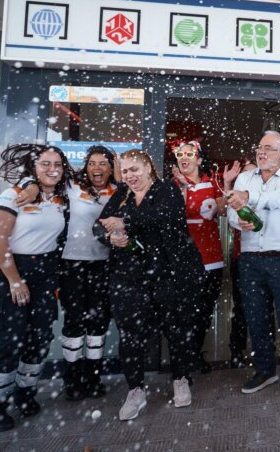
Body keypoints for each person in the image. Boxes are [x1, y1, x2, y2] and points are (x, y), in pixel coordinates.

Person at [94, 149, 204, 421]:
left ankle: (180, 379)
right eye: (125, 170)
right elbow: (100, 226)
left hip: (169, 272)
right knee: (130, 334)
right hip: (129, 277)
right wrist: (111, 239)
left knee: (176, 327)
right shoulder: (122, 195)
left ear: (149, 169)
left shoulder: (166, 188)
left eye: (135, 169)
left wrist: (126, 222)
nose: (130, 175)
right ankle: (135, 390)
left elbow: (165, 216)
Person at [0, 144, 71, 431]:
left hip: (44, 274)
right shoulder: (14, 194)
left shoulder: (60, 198)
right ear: (33, 166)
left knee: (38, 340)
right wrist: (14, 280)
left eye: (57, 164)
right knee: (7, 342)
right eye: (45, 163)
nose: (52, 168)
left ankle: (25, 394)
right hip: (10, 273)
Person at [17, 146, 118, 400]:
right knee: (74, 322)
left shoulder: (118, 191)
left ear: (111, 168)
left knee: (98, 323)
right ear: (86, 166)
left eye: (103, 164)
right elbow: (43, 179)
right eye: (93, 163)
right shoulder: (72, 187)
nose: (97, 168)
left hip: (103, 264)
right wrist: (29, 184)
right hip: (71, 264)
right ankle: (72, 379)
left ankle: (93, 377)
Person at [226, 131, 280, 407]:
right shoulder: (243, 177)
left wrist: (247, 198)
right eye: (259, 147)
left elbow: (277, 200)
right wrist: (241, 223)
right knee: (256, 318)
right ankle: (265, 370)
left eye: (268, 148)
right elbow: (231, 212)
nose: (261, 152)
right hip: (250, 259)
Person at [172, 140, 225, 374]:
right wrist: (184, 188)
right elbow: (173, 216)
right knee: (185, 312)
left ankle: (194, 353)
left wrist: (229, 183)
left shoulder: (211, 182)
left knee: (204, 311)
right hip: (184, 258)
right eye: (180, 154)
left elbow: (222, 210)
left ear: (199, 159)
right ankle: (183, 360)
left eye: (190, 154)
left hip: (212, 256)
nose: (184, 157)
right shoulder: (170, 185)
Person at [224, 160, 258, 368]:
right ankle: (236, 351)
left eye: (253, 173)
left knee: (264, 308)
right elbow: (228, 213)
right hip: (241, 258)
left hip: (263, 259)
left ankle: (265, 350)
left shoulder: (264, 197)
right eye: (244, 174)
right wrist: (228, 185)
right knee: (241, 307)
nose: (248, 178)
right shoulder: (236, 198)